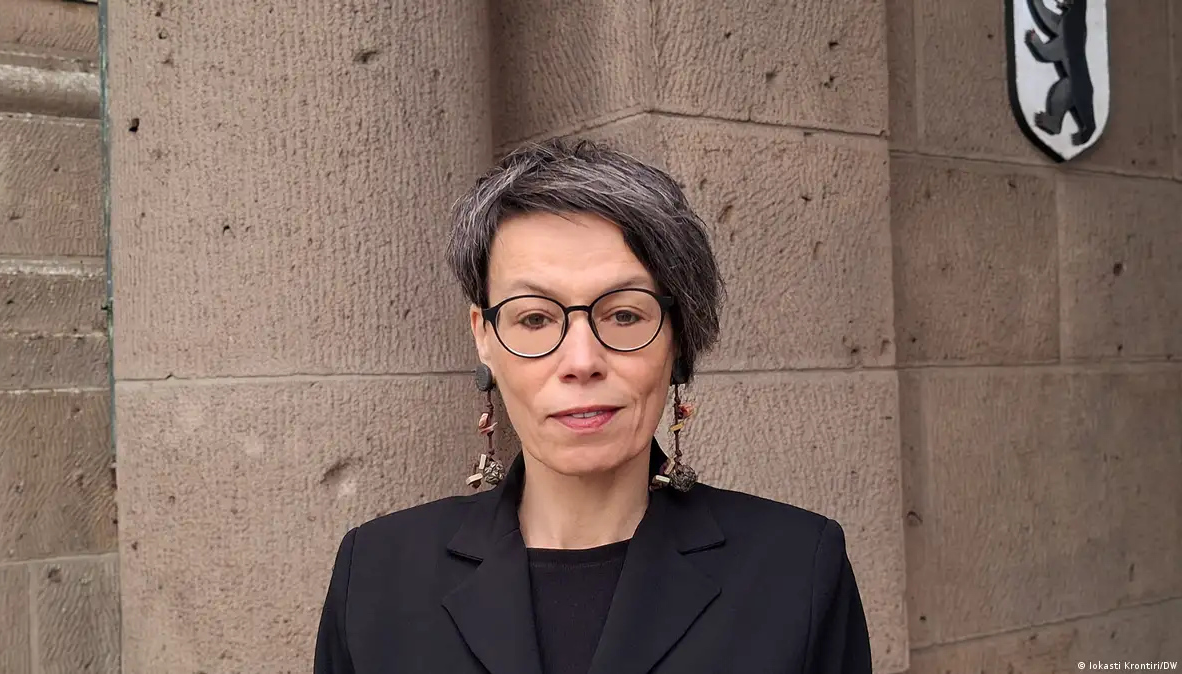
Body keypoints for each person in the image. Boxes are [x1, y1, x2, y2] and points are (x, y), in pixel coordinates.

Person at [313, 138, 872, 673]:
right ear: (484, 336)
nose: (581, 361)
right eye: (535, 318)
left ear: (678, 336)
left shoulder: (798, 568)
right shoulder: (377, 573)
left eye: (624, 315)